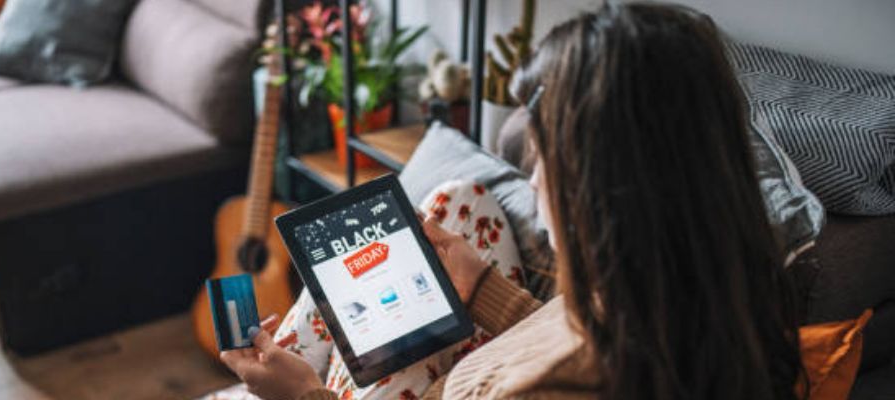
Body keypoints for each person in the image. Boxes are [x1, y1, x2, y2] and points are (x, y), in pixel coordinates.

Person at [220, 2, 806, 399]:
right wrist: (483, 289)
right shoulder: (694, 304)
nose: (532, 182)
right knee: (459, 198)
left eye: (543, 158)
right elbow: (576, 341)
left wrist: (303, 393)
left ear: (602, 188)